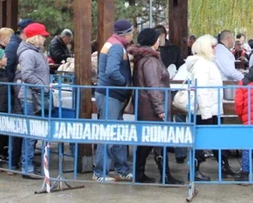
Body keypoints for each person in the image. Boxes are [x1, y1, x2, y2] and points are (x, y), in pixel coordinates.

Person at [129, 28, 183, 185]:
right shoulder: (151, 61)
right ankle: (165, 175)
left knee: (146, 142)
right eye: (158, 39)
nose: (160, 41)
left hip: (146, 106)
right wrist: (160, 109)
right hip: (152, 108)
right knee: (159, 141)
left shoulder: (143, 58)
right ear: (153, 41)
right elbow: (153, 86)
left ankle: (139, 174)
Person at [93, 19, 134, 182]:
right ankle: (100, 172)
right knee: (109, 133)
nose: (132, 36)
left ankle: (121, 169)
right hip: (111, 94)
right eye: (131, 33)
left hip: (111, 94)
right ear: (126, 34)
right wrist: (124, 81)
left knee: (116, 132)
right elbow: (112, 71)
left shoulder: (112, 44)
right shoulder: (117, 47)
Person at [183, 34, 226, 181]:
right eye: (212, 47)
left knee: (211, 139)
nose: (215, 49)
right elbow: (201, 90)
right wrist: (207, 113)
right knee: (200, 142)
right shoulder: (202, 65)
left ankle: (223, 165)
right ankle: (195, 171)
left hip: (209, 109)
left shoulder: (206, 63)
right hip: (205, 111)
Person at [17, 23, 51, 179]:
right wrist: (43, 87)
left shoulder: (34, 52)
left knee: (33, 133)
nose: (45, 39)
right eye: (43, 36)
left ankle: (28, 165)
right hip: (31, 97)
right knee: (31, 134)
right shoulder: (29, 54)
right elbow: (27, 75)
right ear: (36, 37)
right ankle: (27, 166)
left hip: (34, 96)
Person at [3, 18, 32, 170]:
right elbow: (9, 68)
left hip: (18, 90)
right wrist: (13, 88)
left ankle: (17, 160)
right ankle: (14, 161)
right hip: (18, 91)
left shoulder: (18, 44)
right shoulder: (14, 45)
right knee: (19, 127)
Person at [214, 30, 244, 107]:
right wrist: (244, 78)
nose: (234, 41)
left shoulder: (222, 50)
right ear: (228, 39)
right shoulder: (221, 51)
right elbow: (229, 72)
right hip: (222, 85)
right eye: (233, 38)